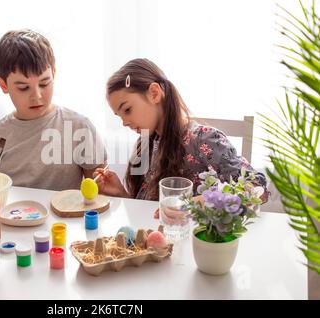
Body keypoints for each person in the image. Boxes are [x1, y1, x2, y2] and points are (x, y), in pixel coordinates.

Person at [94, 58, 269, 209]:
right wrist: (121, 194)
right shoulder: (145, 145)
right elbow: (149, 215)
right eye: (119, 116)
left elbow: (258, 187)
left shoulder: (203, 139)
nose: (124, 122)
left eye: (127, 109)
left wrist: (203, 201)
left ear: (154, 93)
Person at [0, 29, 106, 190]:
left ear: (54, 74)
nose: (37, 96)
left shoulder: (79, 127)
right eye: (23, 88)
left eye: (44, 83)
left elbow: (100, 194)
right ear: (3, 85)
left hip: (66, 215)